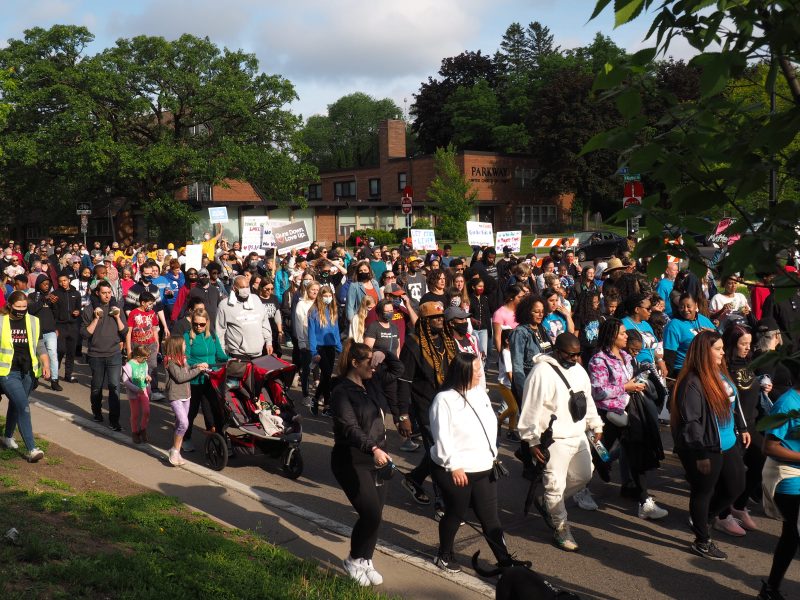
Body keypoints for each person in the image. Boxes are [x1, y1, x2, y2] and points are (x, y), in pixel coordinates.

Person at [429, 352, 527, 573]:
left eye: (479, 368)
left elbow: (489, 426)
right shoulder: (444, 400)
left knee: (491, 519)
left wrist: (492, 454)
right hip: (456, 470)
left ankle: (505, 561)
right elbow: (441, 435)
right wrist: (453, 465)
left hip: (484, 467)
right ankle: (444, 555)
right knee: (456, 514)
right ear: (462, 371)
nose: (480, 373)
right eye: (475, 370)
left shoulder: (480, 394)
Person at [518, 333, 604, 552]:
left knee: (584, 475)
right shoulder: (541, 373)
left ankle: (549, 503)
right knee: (555, 484)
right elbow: (530, 407)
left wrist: (596, 424)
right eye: (571, 354)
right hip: (554, 439)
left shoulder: (579, 370)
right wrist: (532, 440)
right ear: (558, 351)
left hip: (578, 434)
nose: (575, 358)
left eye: (578, 354)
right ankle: (560, 527)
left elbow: (588, 400)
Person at [330, 341, 404, 587]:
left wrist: (384, 353)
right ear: (354, 363)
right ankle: (353, 559)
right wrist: (373, 448)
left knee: (377, 515)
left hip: (378, 458)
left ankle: (365, 559)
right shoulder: (341, 391)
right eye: (368, 362)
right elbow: (349, 427)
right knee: (370, 513)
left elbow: (398, 370)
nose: (373, 367)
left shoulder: (371, 382)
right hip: (352, 459)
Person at [671, 330, 748, 560]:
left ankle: (703, 518)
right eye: (718, 349)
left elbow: (735, 401)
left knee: (736, 486)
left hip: (728, 441)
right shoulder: (692, 381)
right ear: (704, 351)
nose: (723, 352)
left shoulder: (720, 372)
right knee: (703, 491)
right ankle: (702, 540)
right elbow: (690, 422)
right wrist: (701, 453)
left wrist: (742, 428)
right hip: (706, 446)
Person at [588, 318, 668, 519]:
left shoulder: (626, 356)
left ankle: (644, 502)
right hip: (609, 414)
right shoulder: (598, 360)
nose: (626, 336)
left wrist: (637, 383)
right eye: (622, 333)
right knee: (597, 453)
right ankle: (580, 487)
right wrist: (626, 387)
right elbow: (597, 391)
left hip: (630, 412)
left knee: (636, 453)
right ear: (611, 336)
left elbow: (629, 380)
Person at [399, 301, 457, 518]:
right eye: (435, 318)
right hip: (426, 408)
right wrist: (402, 415)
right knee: (440, 451)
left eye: (441, 317)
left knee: (439, 450)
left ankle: (414, 478)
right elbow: (403, 382)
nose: (440, 321)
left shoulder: (447, 341)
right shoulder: (413, 345)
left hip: (450, 405)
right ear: (424, 321)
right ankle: (442, 503)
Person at [714, 324, 762, 535]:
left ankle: (739, 507)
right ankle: (721, 515)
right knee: (731, 476)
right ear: (732, 344)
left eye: (749, 344)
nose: (747, 348)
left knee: (759, 464)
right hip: (733, 427)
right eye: (743, 344)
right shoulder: (723, 368)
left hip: (752, 424)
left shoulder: (749, 362)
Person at [759, 379, 800, 600]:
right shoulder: (787, 403)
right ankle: (770, 588)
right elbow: (770, 447)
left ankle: (771, 588)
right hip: (789, 476)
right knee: (793, 533)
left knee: (791, 536)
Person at [0, 291, 51, 462]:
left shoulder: (33, 321)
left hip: (28, 371)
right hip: (7, 372)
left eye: (24, 307)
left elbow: (40, 345)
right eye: (18, 307)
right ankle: (32, 449)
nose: (21, 310)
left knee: (16, 404)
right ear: (10, 305)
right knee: (23, 405)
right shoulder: (1, 322)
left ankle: (7, 437)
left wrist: (46, 363)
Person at [81, 280, 129, 430]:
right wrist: (96, 318)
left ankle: (115, 421)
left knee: (114, 387)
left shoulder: (117, 309)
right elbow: (84, 334)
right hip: (96, 355)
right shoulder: (89, 310)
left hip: (114, 354)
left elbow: (124, 331)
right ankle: (97, 413)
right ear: (97, 293)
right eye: (104, 293)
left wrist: (116, 317)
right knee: (96, 387)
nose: (107, 296)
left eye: (109, 293)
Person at [183, 307, 229, 452]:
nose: (198, 327)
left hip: (211, 379)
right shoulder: (188, 337)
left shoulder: (213, 336)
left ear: (207, 323)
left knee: (217, 410)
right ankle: (186, 438)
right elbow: (186, 359)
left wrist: (233, 359)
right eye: (195, 324)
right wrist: (196, 365)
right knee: (192, 412)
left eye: (202, 324)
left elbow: (221, 355)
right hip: (195, 380)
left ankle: (220, 438)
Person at [162, 335, 208, 466]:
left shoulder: (182, 359)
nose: (185, 346)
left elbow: (187, 369)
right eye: (183, 345)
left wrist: (196, 365)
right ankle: (174, 450)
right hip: (175, 396)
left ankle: (176, 451)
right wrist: (198, 370)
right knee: (184, 423)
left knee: (179, 424)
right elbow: (181, 377)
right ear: (177, 347)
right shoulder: (170, 362)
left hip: (186, 395)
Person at [216, 275, 273, 360]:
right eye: (242, 287)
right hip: (238, 354)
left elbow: (264, 322)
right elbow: (220, 331)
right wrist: (222, 352)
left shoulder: (256, 299)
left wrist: (269, 342)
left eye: (247, 287)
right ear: (234, 289)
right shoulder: (225, 305)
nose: (245, 290)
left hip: (258, 352)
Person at [510, 295, 552, 406]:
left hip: (545, 382)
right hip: (530, 384)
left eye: (542, 311)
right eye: (536, 312)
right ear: (527, 312)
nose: (540, 314)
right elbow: (517, 365)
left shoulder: (542, 328)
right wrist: (524, 392)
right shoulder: (519, 332)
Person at [663, 292, 716, 376]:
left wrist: (712, 333)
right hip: (685, 370)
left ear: (696, 305)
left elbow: (718, 341)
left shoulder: (704, 320)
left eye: (688, 306)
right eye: (681, 307)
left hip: (706, 366)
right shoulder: (673, 325)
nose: (685, 310)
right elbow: (669, 354)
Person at [308, 286, 342, 416]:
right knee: (327, 374)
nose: (328, 298)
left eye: (330, 296)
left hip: (331, 347)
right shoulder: (313, 312)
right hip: (319, 348)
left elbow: (336, 332)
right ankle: (326, 404)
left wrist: (341, 349)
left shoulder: (333, 310)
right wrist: (313, 352)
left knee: (326, 376)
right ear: (320, 297)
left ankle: (317, 399)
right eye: (325, 296)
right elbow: (311, 334)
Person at [27, 273, 61, 391]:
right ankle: (35, 378)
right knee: (36, 356)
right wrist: (43, 299)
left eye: (48, 284)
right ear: (38, 284)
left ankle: (55, 380)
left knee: (53, 355)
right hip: (36, 331)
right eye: (44, 284)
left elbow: (56, 315)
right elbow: (31, 310)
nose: (47, 286)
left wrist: (55, 304)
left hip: (50, 331)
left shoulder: (51, 296)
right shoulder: (32, 296)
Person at [620, 293, 668, 378]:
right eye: (648, 308)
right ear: (637, 309)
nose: (651, 311)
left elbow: (651, 348)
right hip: (635, 370)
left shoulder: (646, 324)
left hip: (651, 367)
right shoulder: (623, 324)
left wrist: (660, 360)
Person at [125, 291, 161, 398]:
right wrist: (128, 349)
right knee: (139, 367)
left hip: (151, 344)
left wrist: (157, 343)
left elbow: (154, 329)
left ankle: (154, 390)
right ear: (142, 302)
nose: (151, 306)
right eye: (149, 304)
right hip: (137, 345)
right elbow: (129, 332)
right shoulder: (133, 313)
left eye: (152, 304)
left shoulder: (153, 313)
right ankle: (139, 388)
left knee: (153, 366)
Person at [52, 273, 82, 383]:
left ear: (68, 280)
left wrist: (77, 312)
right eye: (60, 281)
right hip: (60, 325)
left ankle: (68, 375)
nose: (63, 283)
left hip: (73, 325)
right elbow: (53, 310)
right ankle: (55, 368)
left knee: (71, 352)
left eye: (64, 280)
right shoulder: (55, 294)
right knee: (60, 349)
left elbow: (79, 308)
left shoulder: (76, 293)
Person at [121, 345, 152, 444]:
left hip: (143, 390)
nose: (146, 359)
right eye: (144, 358)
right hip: (134, 393)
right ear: (138, 357)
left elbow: (145, 373)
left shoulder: (144, 363)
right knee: (135, 414)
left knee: (147, 411)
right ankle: (134, 432)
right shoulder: (129, 366)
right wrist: (136, 389)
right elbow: (125, 381)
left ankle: (143, 429)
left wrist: (148, 377)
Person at [467, 278, 491, 359]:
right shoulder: (469, 299)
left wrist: (489, 330)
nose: (481, 288)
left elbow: (487, 315)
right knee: (477, 352)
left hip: (484, 329)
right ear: (473, 287)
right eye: (479, 286)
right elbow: (467, 314)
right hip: (473, 330)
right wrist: (472, 319)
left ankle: (483, 370)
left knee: (484, 354)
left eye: (483, 286)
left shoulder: (485, 299)